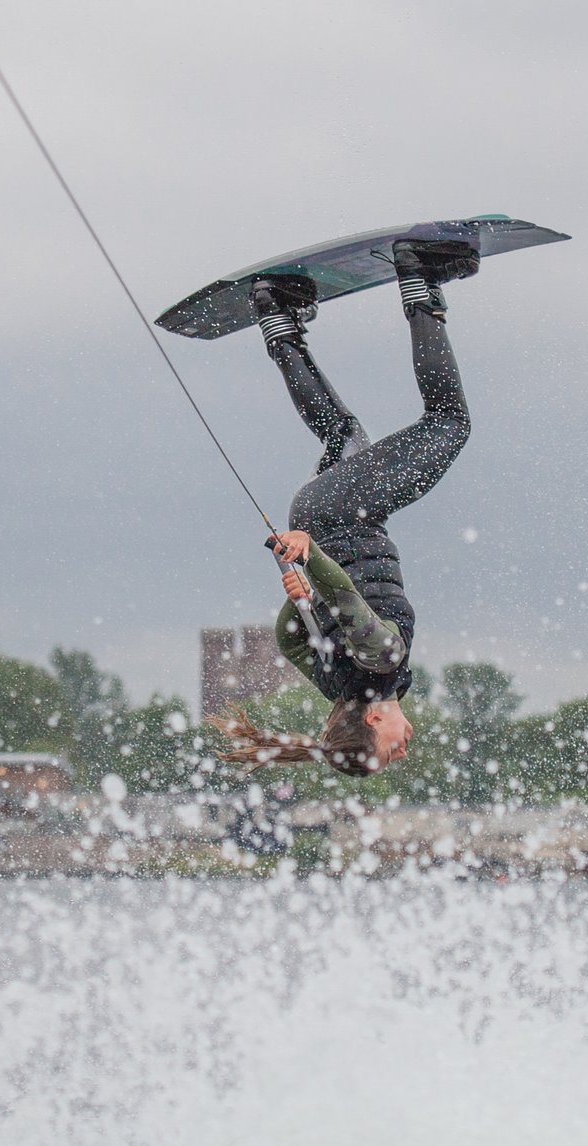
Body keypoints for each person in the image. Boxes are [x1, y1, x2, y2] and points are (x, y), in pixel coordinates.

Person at [211, 239, 479, 776]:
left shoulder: (383, 665)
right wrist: (297, 599)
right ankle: (275, 309)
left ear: (375, 725)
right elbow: (290, 639)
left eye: (392, 752)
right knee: (344, 431)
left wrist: (310, 563)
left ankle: (419, 277)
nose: (405, 750)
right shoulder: (337, 684)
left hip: (342, 515)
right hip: (315, 514)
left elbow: (350, 603)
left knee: (449, 423)